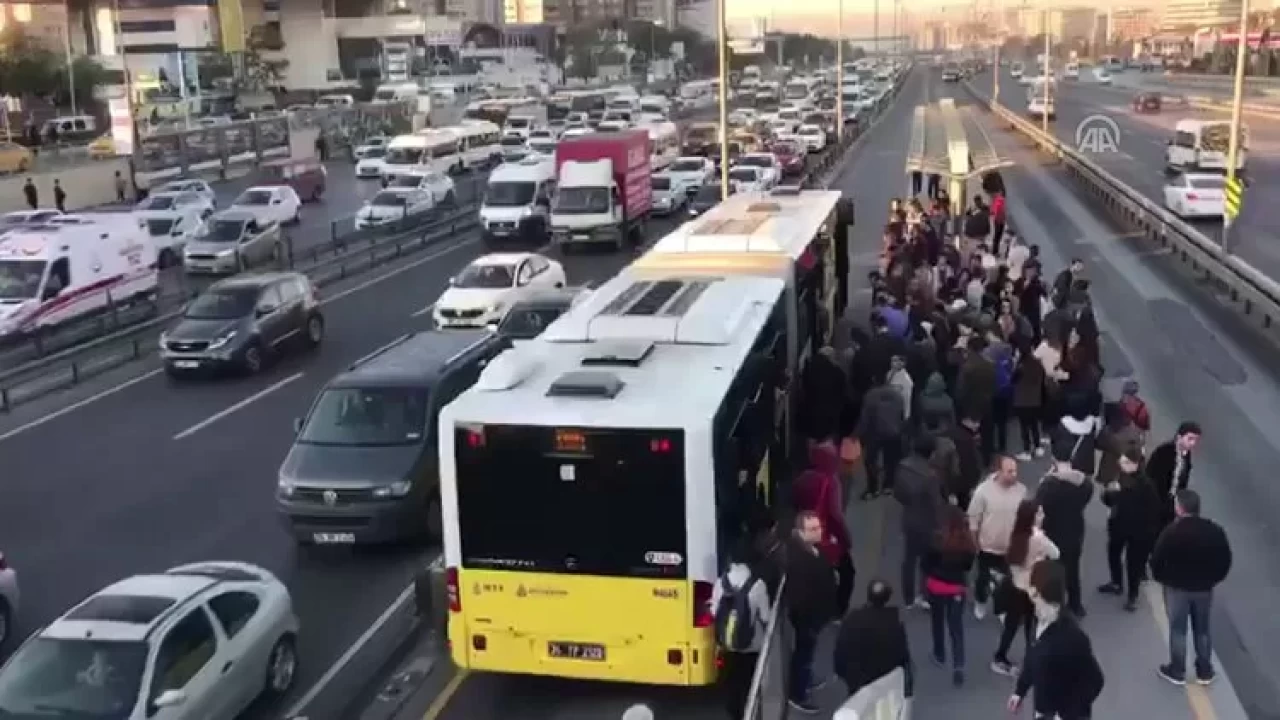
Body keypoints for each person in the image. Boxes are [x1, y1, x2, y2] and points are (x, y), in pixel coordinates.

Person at [1151, 490, 1233, 686]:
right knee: (1202, 630)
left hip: (1177, 589)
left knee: (1178, 630)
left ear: (1179, 508)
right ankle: (1205, 671)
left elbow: (1157, 560)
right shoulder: (1214, 531)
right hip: (1204, 589)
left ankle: (1177, 670)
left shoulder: (1172, 532)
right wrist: (1213, 579)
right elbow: (1225, 559)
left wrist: (1163, 579)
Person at [1008, 560, 1106, 720]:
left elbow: (1095, 681)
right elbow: (1032, 657)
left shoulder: (1073, 637)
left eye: (1034, 593)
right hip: (1043, 710)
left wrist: (1063, 715)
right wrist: (1020, 691)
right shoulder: (1037, 619)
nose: (1030, 598)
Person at [992, 499, 1059, 677]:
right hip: (1032, 589)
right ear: (1032, 517)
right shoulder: (1038, 539)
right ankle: (1031, 663)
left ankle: (1000, 658)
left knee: (1011, 626)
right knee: (1031, 627)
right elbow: (1055, 553)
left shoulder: (1016, 534)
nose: (1043, 515)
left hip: (1016, 587)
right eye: (1040, 513)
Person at [711, 538, 772, 719]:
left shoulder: (721, 582)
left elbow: (714, 611)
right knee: (747, 683)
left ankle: (733, 713)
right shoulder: (757, 585)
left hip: (727, 643)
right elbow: (766, 616)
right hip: (751, 645)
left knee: (731, 682)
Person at [1036, 434, 1095, 617]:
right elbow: (1086, 497)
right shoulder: (1084, 483)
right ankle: (1076, 605)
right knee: (1072, 569)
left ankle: (1056, 605)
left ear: (1054, 458)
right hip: (1075, 531)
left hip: (1053, 532)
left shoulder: (1048, 485)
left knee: (1053, 570)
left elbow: (1038, 507)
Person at [786, 511, 839, 713]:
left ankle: (805, 680)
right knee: (803, 654)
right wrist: (810, 622)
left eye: (819, 527)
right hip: (807, 620)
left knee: (807, 652)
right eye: (812, 529)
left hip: (816, 617)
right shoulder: (799, 561)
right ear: (801, 532)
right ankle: (798, 693)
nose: (819, 532)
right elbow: (800, 599)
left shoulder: (812, 549)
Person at [793, 443, 855, 614]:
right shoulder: (831, 482)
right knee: (847, 573)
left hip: (804, 535)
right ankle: (838, 610)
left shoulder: (801, 479)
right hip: (824, 537)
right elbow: (835, 516)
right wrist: (845, 540)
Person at [1099, 450, 1162, 611]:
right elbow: (1109, 501)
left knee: (1133, 564)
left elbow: (1152, 510)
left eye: (1125, 462)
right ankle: (1116, 583)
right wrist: (1107, 493)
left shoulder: (1146, 485)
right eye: (1121, 461)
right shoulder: (1120, 477)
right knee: (1114, 554)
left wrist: (1114, 494)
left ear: (1135, 464)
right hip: (1119, 526)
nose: (1121, 465)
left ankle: (1132, 596)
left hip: (1137, 531)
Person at [967, 454, 1026, 621]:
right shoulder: (983, 491)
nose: (1014, 475)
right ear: (998, 471)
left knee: (1009, 582)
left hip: (1011, 548)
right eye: (1009, 471)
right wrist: (975, 544)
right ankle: (980, 601)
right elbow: (974, 520)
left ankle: (1002, 609)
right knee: (983, 579)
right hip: (987, 547)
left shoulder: (1021, 490)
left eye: (1015, 471)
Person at [923, 504, 977, 687]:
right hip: (956, 589)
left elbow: (926, 565)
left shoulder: (936, 540)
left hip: (936, 587)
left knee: (937, 621)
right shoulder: (967, 543)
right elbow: (968, 567)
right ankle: (958, 666)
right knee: (956, 628)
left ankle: (939, 654)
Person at [833, 580, 913, 700]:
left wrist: (841, 671)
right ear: (887, 598)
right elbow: (902, 654)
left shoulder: (852, 619)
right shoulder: (894, 622)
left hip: (857, 680)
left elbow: (841, 648)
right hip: (884, 680)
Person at [894, 433, 943, 609]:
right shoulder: (931, 475)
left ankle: (908, 598)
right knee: (928, 561)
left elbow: (898, 494)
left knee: (909, 560)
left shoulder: (903, 466)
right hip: (927, 523)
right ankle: (924, 595)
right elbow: (936, 504)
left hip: (909, 519)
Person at [857, 373, 906, 500]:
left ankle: (873, 489)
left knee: (870, 460)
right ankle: (888, 486)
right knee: (891, 460)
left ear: (874, 380)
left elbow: (865, 418)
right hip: (894, 432)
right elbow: (902, 416)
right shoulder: (898, 396)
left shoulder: (870, 395)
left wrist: (860, 434)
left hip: (875, 433)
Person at [1147, 422, 1202, 533]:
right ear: (1179, 437)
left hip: (1172, 503)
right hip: (1157, 501)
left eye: (1195, 440)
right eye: (1190, 439)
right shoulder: (1163, 452)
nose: (1193, 443)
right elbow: (1152, 477)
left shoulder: (1186, 455)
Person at [1011, 350, 1045, 461]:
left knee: (1024, 427)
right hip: (1035, 400)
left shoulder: (1020, 367)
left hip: (1022, 401)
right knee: (1034, 425)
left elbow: (1013, 380)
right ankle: (1038, 447)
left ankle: (1027, 451)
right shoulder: (1038, 365)